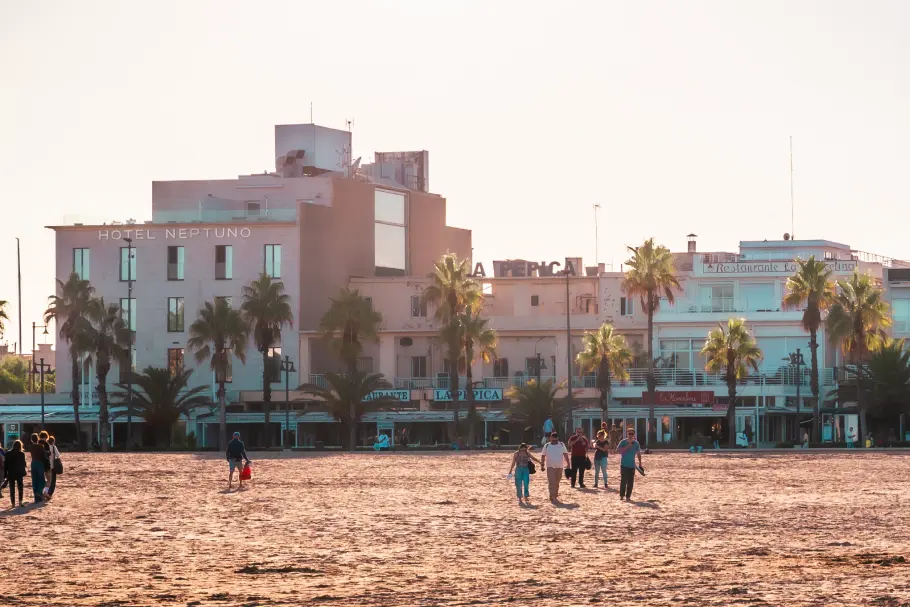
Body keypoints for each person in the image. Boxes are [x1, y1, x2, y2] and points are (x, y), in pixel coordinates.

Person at [540, 432, 571, 502]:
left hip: (559, 466)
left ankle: (554, 495)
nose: (554, 441)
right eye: (553, 440)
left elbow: (565, 454)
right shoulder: (547, 445)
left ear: (558, 439)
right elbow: (543, 455)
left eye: (555, 440)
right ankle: (553, 496)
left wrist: (568, 464)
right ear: (550, 438)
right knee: (552, 482)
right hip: (550, 466)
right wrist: (542, 465)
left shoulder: (562, 445)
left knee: (557, 482)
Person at [616, 428, 643, 502]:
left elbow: (638, 453)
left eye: (632, 434)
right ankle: (622, 495)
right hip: (624, 464)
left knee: (630, 482)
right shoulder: (623, 442)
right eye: (629, 433)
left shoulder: (636, 443)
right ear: (627, 434)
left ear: (634, 434)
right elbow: (618, 451)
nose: (631, 435)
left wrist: (640, 462)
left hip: (632, 465)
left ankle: (628, 496)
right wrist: (627, 446)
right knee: (623, 481)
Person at [3, 440, 26, 508]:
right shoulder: (21, 454)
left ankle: (13, 504)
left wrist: (5, 474)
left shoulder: (8, 454)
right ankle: (20, 502)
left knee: (12, 489)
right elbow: (23, 464)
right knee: (20, 487)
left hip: (11, 473)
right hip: (19, 473)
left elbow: (5, 465)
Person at [27, 433, 47, 503]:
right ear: (38, 438)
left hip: (33, 463)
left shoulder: (30, 447)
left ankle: (36, 495)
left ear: (32, 440)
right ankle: (39, 493)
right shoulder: (41, 446)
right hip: (39, 463)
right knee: (41, 480)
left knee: (34, 480)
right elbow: (44, 455)